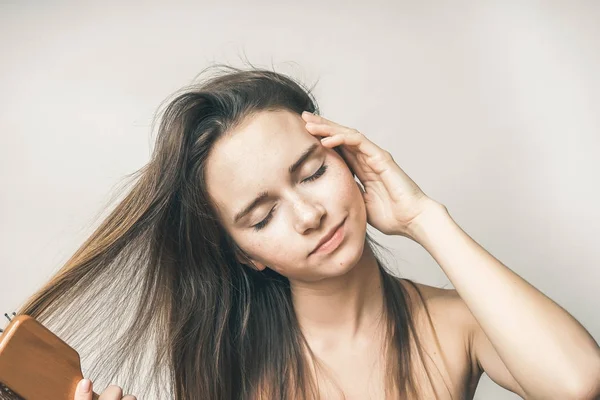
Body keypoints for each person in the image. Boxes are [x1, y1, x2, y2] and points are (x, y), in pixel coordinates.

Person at [13, 65, 599, 400]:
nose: (309, 215)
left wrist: (425, 218)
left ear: (347, 157)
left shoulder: (454, 325)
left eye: (313, 172)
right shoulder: (230, 367)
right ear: (245, 256)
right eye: (262, 216)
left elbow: (579, 384)